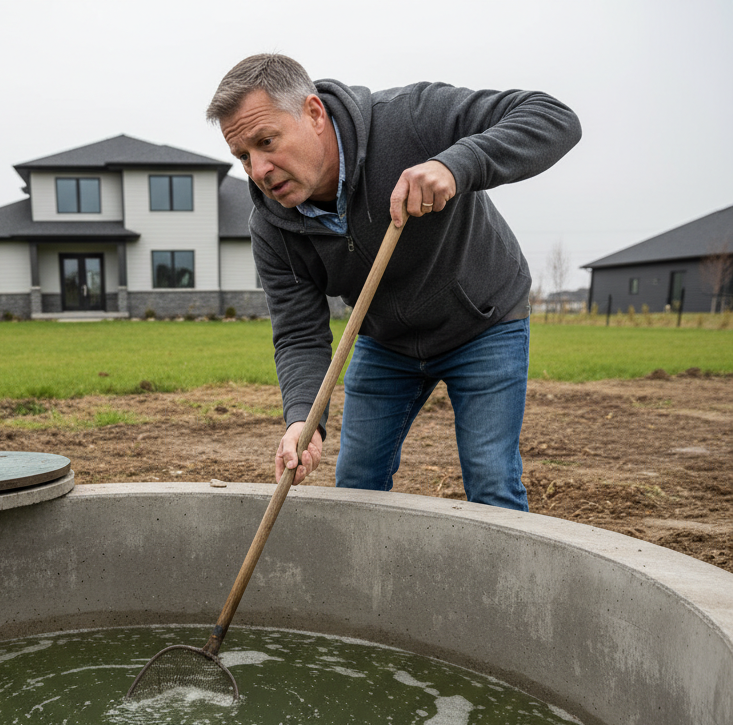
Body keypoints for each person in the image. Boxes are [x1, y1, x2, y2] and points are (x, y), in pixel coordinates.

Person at [206, 54, 581, 510]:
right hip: (386, 343)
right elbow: (299, 334)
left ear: (314, 113)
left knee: (491, 482)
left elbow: (553, 117)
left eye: (267, 142)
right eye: (243, 156)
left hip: (483, 322)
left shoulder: (411, 119)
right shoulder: (271, 228)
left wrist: (456, 164)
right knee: (358, 483)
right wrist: (302, 421)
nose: (259, 170)